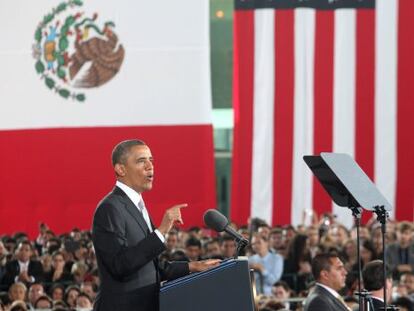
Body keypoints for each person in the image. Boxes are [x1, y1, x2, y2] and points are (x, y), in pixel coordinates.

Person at [92, 139, 220, 311]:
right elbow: (120, 265)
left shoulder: (137, 206)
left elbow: (149, 268)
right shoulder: (110, 208)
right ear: (120, 169)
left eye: (151, 160)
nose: (149, 166)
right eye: (141, 161)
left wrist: (192, 266)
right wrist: (161, 231)